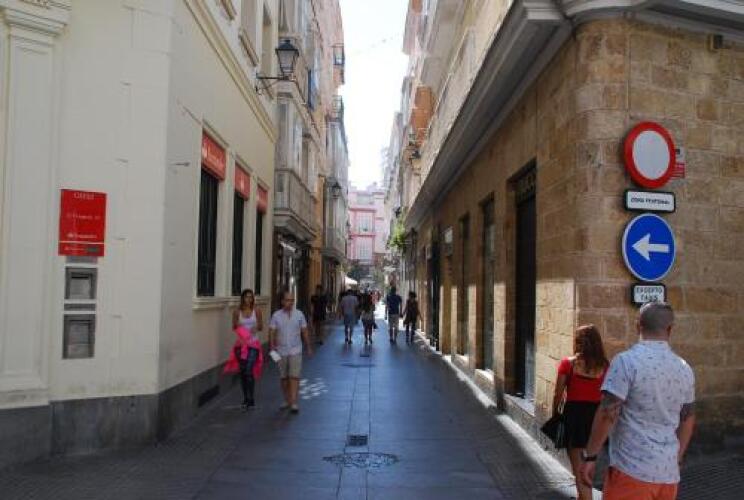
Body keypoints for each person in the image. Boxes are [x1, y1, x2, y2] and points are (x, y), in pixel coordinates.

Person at [579, 302, 695, 500]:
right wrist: (677, 457)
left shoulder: (626, 362)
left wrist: (590, 456)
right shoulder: (684, 368)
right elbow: (688, 418)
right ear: (670, 329)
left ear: (637, 326)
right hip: (668, 474)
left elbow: (608, 413)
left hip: (631, 471)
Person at [550, 325, 608, 500]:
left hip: (574, 417)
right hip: (596, 417)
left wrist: (555, 414)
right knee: (588, 465)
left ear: (578, 342)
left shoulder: (568, 364)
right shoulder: (605, 366)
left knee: (579, 469)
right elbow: (607, 396)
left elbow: (558, 393)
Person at [269, 291, 313, 414]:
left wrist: (308, 346)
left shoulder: (299, 314)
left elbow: (304, 331)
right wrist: (272, 347)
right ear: (282, 301)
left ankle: (293, 402)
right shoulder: (276, 315)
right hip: (281, 351)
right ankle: (287, 399)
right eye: (288, 300)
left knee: (294, 376)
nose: (290, 303)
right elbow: (272, 332)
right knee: (284, 377)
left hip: (296, 350)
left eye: (292, 300)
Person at [224, 289, 265, 409]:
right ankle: (246, 399)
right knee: (242, 373)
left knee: (248, 370)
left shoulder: (257, 311)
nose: (249, 299)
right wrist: (238, 326)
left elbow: (261, 326)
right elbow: (234, 326)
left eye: (251, 297)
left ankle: (251, 399)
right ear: (242, 298)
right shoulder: (237, 311)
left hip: (253, 344)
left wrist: (256, 327)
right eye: (247, 297)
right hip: (241, 345)